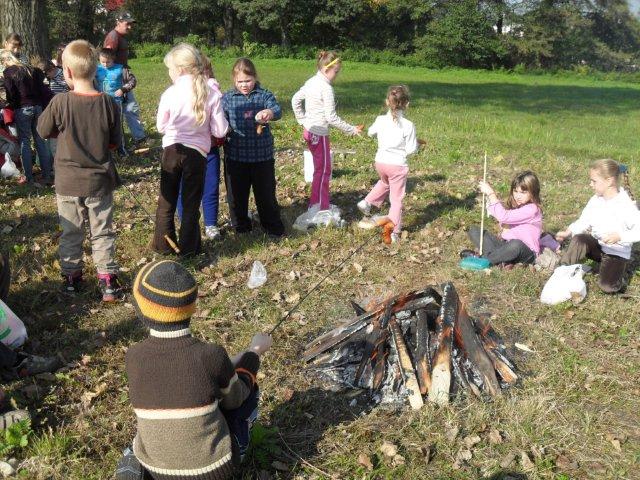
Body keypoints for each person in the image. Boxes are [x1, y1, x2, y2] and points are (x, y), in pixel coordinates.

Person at [115, 259, 272, 480]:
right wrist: (254, 353)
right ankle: (240, 444)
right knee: (246, 389)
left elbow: (177, 373)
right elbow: (237, 398)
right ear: (193, 307)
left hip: (157, 470)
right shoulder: (211, 355)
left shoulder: (133, 356)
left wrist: (233, 361)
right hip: (214, 470)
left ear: (141, 310)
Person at [36, 40, 123, 302]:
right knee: (102, 231)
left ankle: (71, 279)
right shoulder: (108, 103)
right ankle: (107, 281)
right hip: (99, 181)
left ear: (67, 72)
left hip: (68, 182)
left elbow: (42, 130)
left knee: (71, 230)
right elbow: (114, 142)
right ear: (96, 69)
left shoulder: (60, 101)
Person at [151, 43, 228, 256]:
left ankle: (163, 245)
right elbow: (220, 130)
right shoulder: (211, 93)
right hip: (197, 155)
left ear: (180, 69)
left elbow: (160, 127)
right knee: (191, 203)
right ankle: (189, 249)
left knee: (166, 201)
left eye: (170, 69)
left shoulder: (170, 93)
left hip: (171, 151)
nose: (169, 73)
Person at [291, 50, 363, 220]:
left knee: (319, 170)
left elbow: (295, 99)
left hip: (309, 131)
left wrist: (302, 120)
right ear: (326, 69)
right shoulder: (326, 88)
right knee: (323, 171)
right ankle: (321, 207)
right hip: (320, 135)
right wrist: (351, 129)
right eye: (336, 72)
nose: (337, 75)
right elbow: (331, 117)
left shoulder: (311, 82)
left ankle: (315, 203)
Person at [222, 58, 285, 237]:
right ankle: (241, 226)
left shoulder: (263, 95)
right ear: (234, 80)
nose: (244, 85)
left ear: (255, 78)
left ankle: (272, 226)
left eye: (248, 81)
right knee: (237, 196)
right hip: (236, 156)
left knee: (265, 194)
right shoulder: (227, 98)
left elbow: (277, 110)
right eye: (240, 81)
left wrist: (269, 112)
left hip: (261, 156)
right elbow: (220, 119)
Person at [556, 160, 640, 293]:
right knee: (579, 239)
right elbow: (584, 220)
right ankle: (562, 270)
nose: (590, 184)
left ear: (609, 181)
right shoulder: (596, 199)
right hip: (599, 246)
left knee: (607, 286)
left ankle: (619, 277)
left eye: (594, 181)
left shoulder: (625, 205)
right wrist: (569, 231)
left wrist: (620, 236)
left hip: (616, 252)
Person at [357, 85, 418, 243]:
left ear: (387, 102)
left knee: (385, 183)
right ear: (407, 104)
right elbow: (411, 149)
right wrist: (416, 144)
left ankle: (367, 202)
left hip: (381, 162)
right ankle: (393, 232)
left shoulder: (380, 120)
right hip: (397, 166)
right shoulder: (408, 125)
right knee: (396, 199)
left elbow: (370, 132)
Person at [177, 56, 225, 240]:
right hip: (186, 150)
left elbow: (220, 127)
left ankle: (211, 224)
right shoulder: (179, 93)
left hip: (209, 149)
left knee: (210, 187)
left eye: (204, 73)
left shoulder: (213, 91)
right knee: (184, 187)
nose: (200, 78)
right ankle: (185, 223)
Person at [461, 171, 543, 267]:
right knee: (474, 231)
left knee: (516, 244)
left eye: (523, 192)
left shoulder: (532, 209)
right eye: (515, 191)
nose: (518, 196)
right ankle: (497, 258)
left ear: (533, 192)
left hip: (526, 252)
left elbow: (504, 216)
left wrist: (491, 194)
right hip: (506, 247)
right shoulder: (516, 207)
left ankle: (483, 260)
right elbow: (505, 223)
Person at [2, 50, 53, 186]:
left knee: (24, 142)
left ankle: (29, 177)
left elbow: (11, 93)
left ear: (6, 60)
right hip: (37, 106)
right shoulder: (32, 69)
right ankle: (47, 174)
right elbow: (41, 88)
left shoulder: (9, 72)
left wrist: (10, 104)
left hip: (23, 108)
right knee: (40, 140)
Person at [103, 11, 147, 147]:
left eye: (131, 24)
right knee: (126, 110)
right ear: (118, 22)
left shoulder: (119, 36)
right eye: (127, 24)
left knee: (130, 109)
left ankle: (137, 138)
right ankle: (120, 142)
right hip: (117, 80)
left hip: (122, 78)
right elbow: (106, 60)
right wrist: (115, 82)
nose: (130, 27)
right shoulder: (113, 37)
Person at [96, 47, 137, 156]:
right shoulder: (96, 69)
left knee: (117, 126)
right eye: (102, 62)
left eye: (108, 62)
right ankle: (105, 149)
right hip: (100, 102)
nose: (105, 64)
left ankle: (121, 149)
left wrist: (123, 89)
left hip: (116, 102)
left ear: (113, 59)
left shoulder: (121, 69)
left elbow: (133, 81)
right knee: (102, 125)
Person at [38, 59, 69, 160]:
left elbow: (67, 85)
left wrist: (55, 80)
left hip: (64, 106)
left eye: (47, 73)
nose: (46, 76)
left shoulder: (63, 74)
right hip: (53, 107)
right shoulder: (48, 78)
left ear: (52, 69)